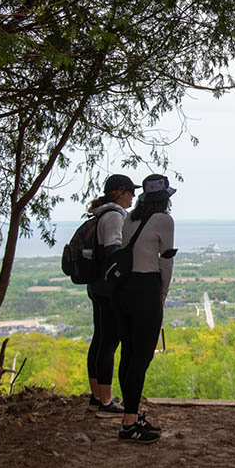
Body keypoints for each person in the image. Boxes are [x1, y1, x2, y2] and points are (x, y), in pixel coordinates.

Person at [114, 174, 177, 444]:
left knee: (128, 355)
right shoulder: (164, 220)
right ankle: (130, 423)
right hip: (146, 288)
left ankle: (130, 417)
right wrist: (163, 291)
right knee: (142, 358)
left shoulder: (130, 218)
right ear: (164, 198)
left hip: (123, 289)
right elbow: (166, 260)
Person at [84, 174, 135, 418]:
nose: (133, 196)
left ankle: (96, 396)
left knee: (99, 339)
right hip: (108, 289)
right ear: (119, 192)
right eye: (129, 191)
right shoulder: (114, 216)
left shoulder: (101, 214)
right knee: (109, 343)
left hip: (96, 285)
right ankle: (105, 400)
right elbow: (114, 252)